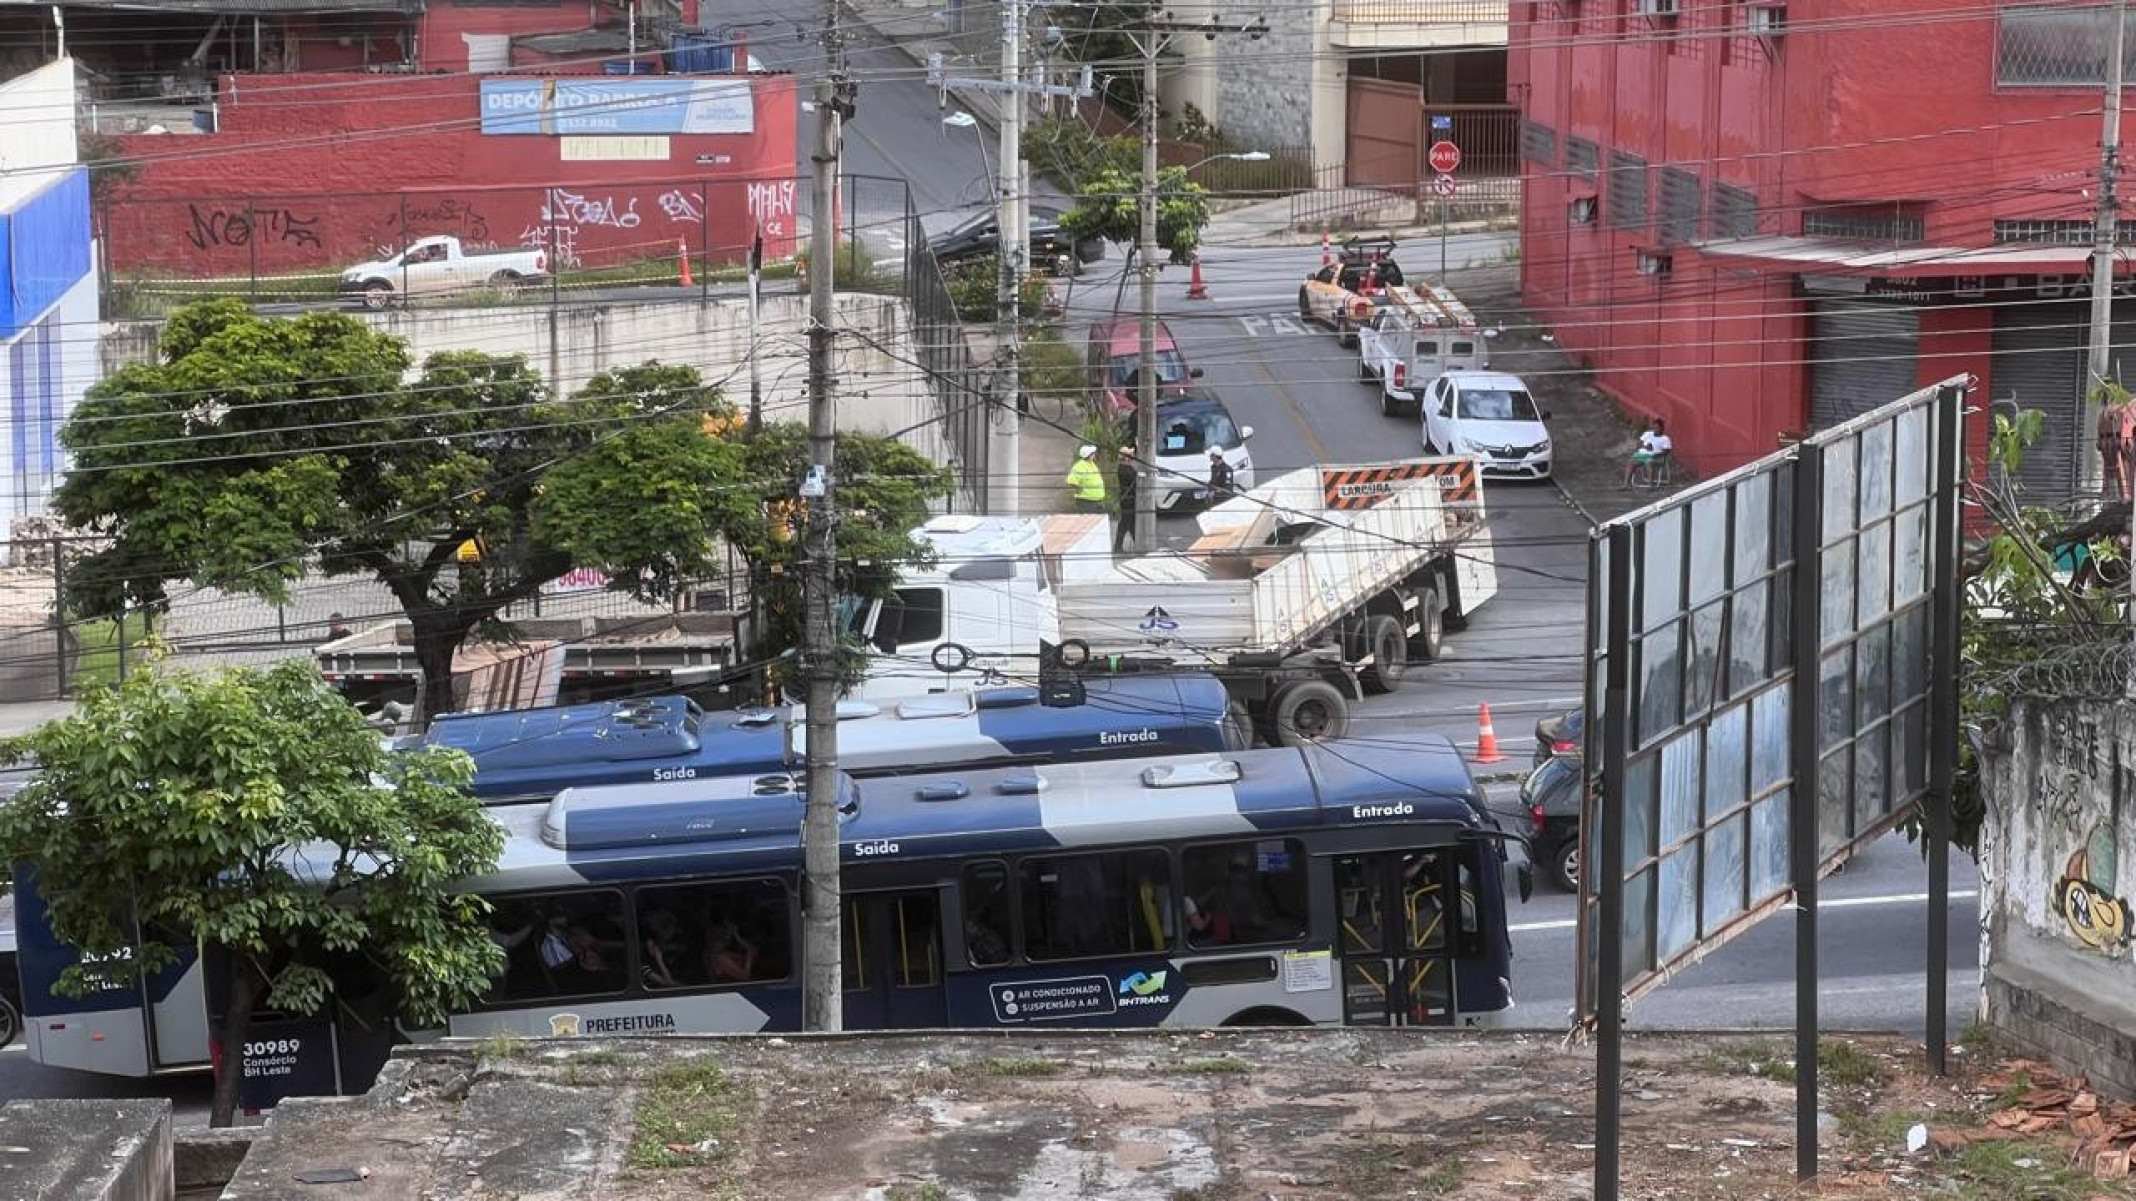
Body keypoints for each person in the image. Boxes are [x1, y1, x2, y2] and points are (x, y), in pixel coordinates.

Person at [1625, 419, 1672, 486]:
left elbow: (1666, 451)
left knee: (1648, 461)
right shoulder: (1648, 434)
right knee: (1631, 461)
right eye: (1654, 428)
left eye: (1657, 428)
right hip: (1643, 455)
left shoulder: (1665, 438)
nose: (1655, 430)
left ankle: (1650, 485)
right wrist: (1645, 446)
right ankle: (1626, 485)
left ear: (1662, 428)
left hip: (1656, 457)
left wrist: (1655, 453)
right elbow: (1639, 443)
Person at [1066, 443, 1107, 514]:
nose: (1094, 455)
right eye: (1093, 453)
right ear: (1089, 455)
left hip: (1098, 500)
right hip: (1086, 501)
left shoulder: (1092, 464)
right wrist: (1079, 489)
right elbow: (1071, 481)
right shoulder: (1080, 466)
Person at [1114, 446, 1138, 553]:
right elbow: (1134, 481)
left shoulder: (1125, 467)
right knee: (1124, 524)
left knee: (1131, 524)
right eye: (1131, 454)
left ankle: (1138, 544)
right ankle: (1117, 547)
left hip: (1129, 499)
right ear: (1126, 457)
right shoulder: (1125, 469)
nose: (1133, 456)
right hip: (1128, 500)